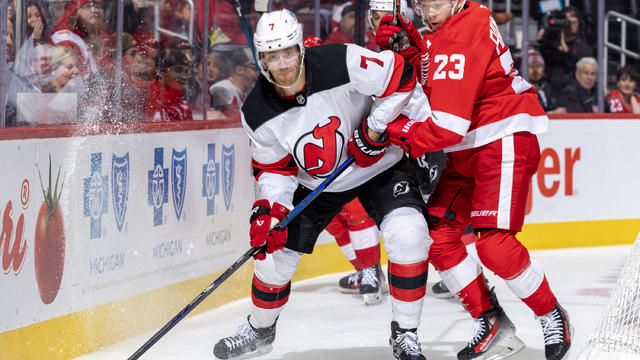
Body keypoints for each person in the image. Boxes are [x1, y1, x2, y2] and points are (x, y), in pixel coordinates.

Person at [214, 9, 434, 360]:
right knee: (273, 259)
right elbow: (274, 169)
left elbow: (401, 75)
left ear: (301, 48)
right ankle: (259, 329)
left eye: (288, 52)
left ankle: (405, 334)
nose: (283, 64)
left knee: (409, 235)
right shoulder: (257, 110)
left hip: (380, 165)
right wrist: (272, 213)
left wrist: (374, 127)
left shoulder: (341, 59)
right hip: (317, 183)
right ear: (261, 59)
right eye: (273, 57)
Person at [376, 1, 572, 359]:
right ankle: (491, 321)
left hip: (501, 138)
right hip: (470, 146)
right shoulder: (456, 24)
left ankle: (551, 314)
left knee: (494, 246)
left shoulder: (464, 30)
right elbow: (433, 74)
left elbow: (447, 126)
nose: (427, 10)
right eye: (422, 3)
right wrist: (412, 45)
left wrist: (392, 131)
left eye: (435, 3)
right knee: (436, 238)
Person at [539, 6, 593, 93]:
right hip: (551, 89)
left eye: (574, 22)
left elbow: (584, 68)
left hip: (574, 91)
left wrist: (567, 52)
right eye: (567, 22)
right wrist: (542, 39)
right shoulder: (551, 42)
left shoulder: (583, 47)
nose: (570, 25)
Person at [209, 50, 259, 116]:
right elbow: (228, 121)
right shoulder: (222, 88)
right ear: (239, 69)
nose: (258, 73)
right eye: (255, 69)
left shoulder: (246, 92)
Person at [527, 47, 566, 113]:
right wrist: (552, 114)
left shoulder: (548, 88)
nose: (535, 70)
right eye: (531, 66)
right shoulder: (522, 90)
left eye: (539, 66)